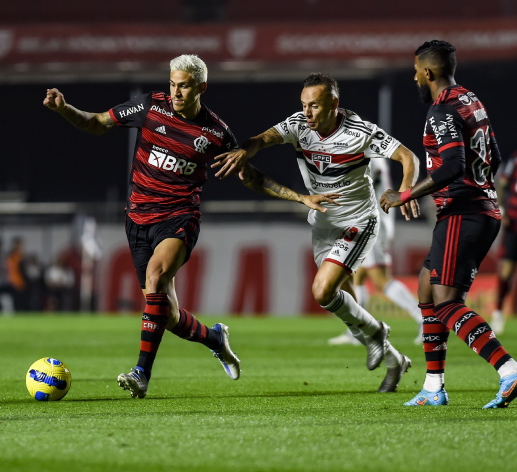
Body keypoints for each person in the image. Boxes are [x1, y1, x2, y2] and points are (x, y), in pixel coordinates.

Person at [44, 55, 250, 398]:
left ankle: (141, 373)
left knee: (156, 276)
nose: (176, 91)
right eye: (172, 83)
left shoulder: (218, 133)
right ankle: (215, 338)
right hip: (137, 218)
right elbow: (97, 123)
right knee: (165, 313)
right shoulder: (150, 107)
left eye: (183, 85)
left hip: (179, 217)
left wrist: (297, 197)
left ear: (201, 87)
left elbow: (247, 173)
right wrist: (65, 109)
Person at [213, 73, 420, 393]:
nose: (307, 113)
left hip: (358, 221)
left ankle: (378, 333)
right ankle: (394, 360)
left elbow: (408, 157)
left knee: (323, 291)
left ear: (334, 104)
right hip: (323, 223)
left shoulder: (359, 132)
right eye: (304, 105)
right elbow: (263, 138)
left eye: (314, 106)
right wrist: (245, 149)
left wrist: (404, 192)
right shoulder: (299, 125)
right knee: (344, 300)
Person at [380, 40, 517, 408]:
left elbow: (453, 166)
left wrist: (404, 195)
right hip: (481, 209)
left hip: (463, 212)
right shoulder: (471, 100)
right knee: (427, 288)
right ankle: (433, 386)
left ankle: (508, 369)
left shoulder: (441, 111)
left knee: (445, 302)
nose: (414, 78)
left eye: (415, 71)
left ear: (427, 72)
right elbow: (495, 156)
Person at [328, 158, 423, 346]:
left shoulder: (368, 156)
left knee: (380, 279)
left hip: (371, 224)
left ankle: (425, 320)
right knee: (357, 276)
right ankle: (357, 331)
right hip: (367, 223)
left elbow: (362, 186)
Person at [491, 150, 517, 335]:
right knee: (506, 271)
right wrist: (501, 209)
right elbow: (501, 183)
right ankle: (498, 312)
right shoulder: (515, 159)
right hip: (514, 225)